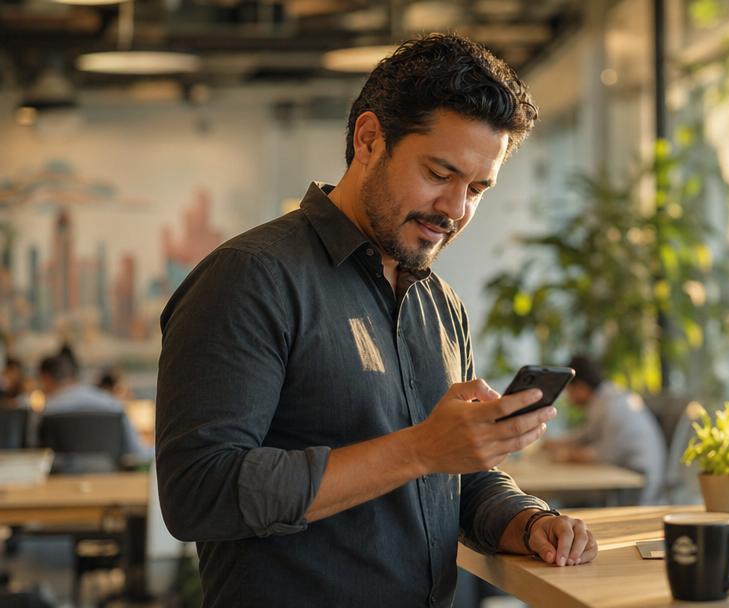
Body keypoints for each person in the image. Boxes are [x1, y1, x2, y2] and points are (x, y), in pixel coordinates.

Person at [156, 34, 597, 607]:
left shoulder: (440, 303)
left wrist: (529, 521)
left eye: (477, 188)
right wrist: (420, 449)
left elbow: (454, 480)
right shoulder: (249, 278)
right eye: (440, 173)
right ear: (369, 140)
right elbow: (199, 493)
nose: (456, 209)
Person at [544, 355, 668, 505]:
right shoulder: (605, 399)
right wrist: (554, 443)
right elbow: (585, 435)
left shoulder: (612, 406)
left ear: (581, 387)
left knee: (569, 498)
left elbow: (603, 454)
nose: (568, 397)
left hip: (639, 483)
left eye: (569, 391)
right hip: (628, 474)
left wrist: (567, 455)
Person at [37, 354, 152, 462]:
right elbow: (137, 452)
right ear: (72, 376)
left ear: (45, 378)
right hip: (111, 479)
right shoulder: (112, 405)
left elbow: (37, 456)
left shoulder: (47, 411)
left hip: (60, 481)